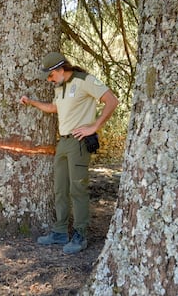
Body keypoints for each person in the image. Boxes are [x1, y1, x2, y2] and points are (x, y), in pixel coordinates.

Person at [20, 52, 118, 254]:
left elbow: (112, 101)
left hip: (79, 143)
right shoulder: (60, 86)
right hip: (63, 143)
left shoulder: (85, 80)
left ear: (59, 70)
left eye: (50, 76)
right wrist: (31, 102)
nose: (49, 80)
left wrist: (94, 127)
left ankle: (80, 235)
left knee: (77, 189)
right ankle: (60, 231)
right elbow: (54, 108)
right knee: (60, 188)